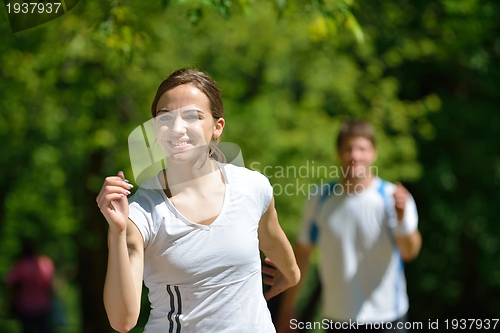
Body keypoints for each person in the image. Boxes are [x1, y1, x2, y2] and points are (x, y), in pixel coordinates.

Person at [96, 68, 300, 333]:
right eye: (164, 117)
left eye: (192, 116)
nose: (176, 128)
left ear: (217, 127)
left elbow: (277, 248)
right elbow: (123, 322)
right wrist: (117, 232)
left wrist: (291, 274)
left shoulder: (253, 188)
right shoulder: (141, 213)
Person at [276, 120, 422, 332]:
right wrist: (287, 309)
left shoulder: (393, 199)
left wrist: (401, 219)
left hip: (388, 318)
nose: (355, 155)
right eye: (348, 149)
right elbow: (302, 256)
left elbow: (410, 252)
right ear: (338, 153)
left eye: (362, 149)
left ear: (374, 153)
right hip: (337, 319)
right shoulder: (320, 200)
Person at [6, 238, 55, 333]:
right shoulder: (45, 264)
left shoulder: (20, 265)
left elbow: (9, 284)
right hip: (43, 306)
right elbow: (50, 286)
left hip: (24, 306)